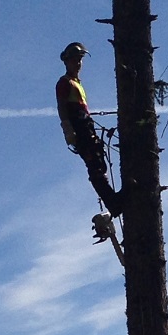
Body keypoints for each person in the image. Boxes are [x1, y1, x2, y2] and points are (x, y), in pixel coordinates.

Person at [56, 42, 121, 216]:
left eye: (80, 60)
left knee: (99, 159)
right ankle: (112, 202)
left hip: (86, 125)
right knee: (94, 164)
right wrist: (68, 129)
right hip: (79, 127)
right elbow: (62, 108)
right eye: (75, 60)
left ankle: (113, 199)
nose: (78, 63)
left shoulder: (76, 83)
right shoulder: (64, 82)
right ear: (67, 61)